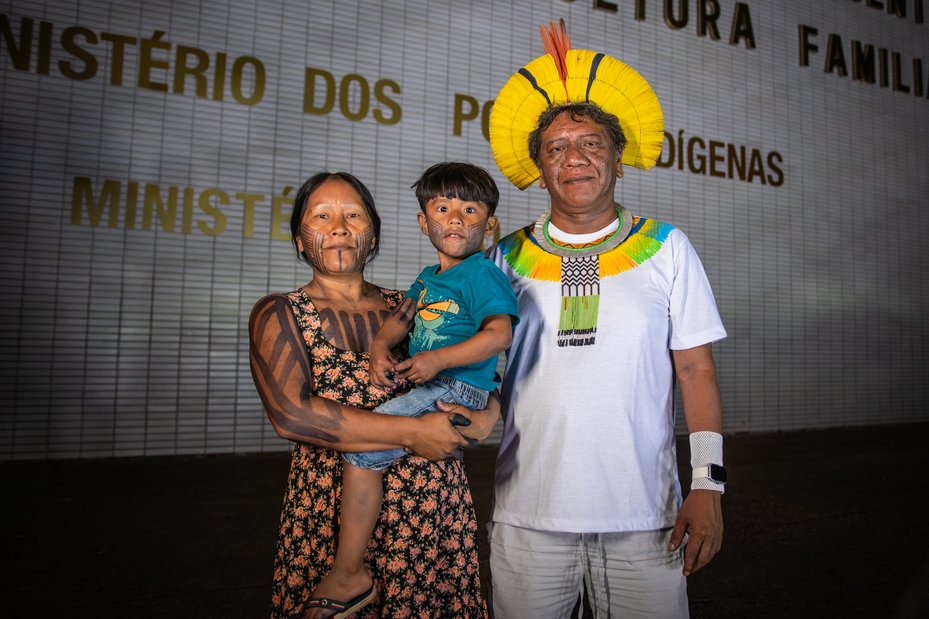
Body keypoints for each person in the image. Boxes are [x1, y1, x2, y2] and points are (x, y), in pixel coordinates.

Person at [485, 20, 728, 617]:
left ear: (619, 160)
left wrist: (708, 484)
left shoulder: (666, 246)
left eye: (592, 143)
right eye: (557, 148)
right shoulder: (504, 256)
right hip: (528, 518)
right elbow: (485, 369)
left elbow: (696, 372)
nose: (575, 158)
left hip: (645, 518)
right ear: (540, 167)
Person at [248, 171, 496, 618]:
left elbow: (482, 368)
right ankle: (348, 574)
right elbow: (292, 415)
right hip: (333, 516)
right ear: (301, 241)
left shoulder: (420, 302)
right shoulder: (280, 312)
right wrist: (414, 432)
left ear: (374, 234)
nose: (339, 227)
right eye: (321, 216)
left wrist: (488, 414)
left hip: (430, 518)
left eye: (353, 215)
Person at [308, 162, 518, 614]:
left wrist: (436, 359)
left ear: (490, 223)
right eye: (443, 208)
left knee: (362, 449)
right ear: (425, 223)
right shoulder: (428, 278)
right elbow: (401, 318)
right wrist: (381, 348)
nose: (457, 218)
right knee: (368, 445)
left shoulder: (481, 274)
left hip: (457, 386)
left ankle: (349, 574)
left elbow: (499, 334)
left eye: (469, 208)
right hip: (437, 379)